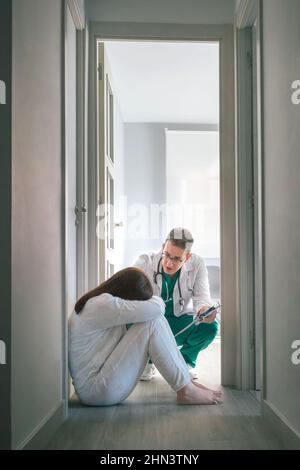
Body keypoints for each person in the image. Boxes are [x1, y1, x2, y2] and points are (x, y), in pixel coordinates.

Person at [69, 267, 222, 406]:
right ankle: (186, 390)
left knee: (153, 319)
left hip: (98, 386)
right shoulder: (103, 304)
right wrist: (153, 299)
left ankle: (186, 384)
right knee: (153, 321)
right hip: (96, 391)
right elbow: (157, 308)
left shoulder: (98, 302)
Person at [134, 227, 219, 380]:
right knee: (128, 322)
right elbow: (128, 298)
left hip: (177, 322)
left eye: (177, 259)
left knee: (210, 327)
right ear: (162, 247)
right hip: (149, 324)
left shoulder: (197, 264)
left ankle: (184, 362)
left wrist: (204, 309)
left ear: (187, 257)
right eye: (166, 255)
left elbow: (202, 297)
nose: (169, 263)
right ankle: (148, 361)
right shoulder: (144, 261)